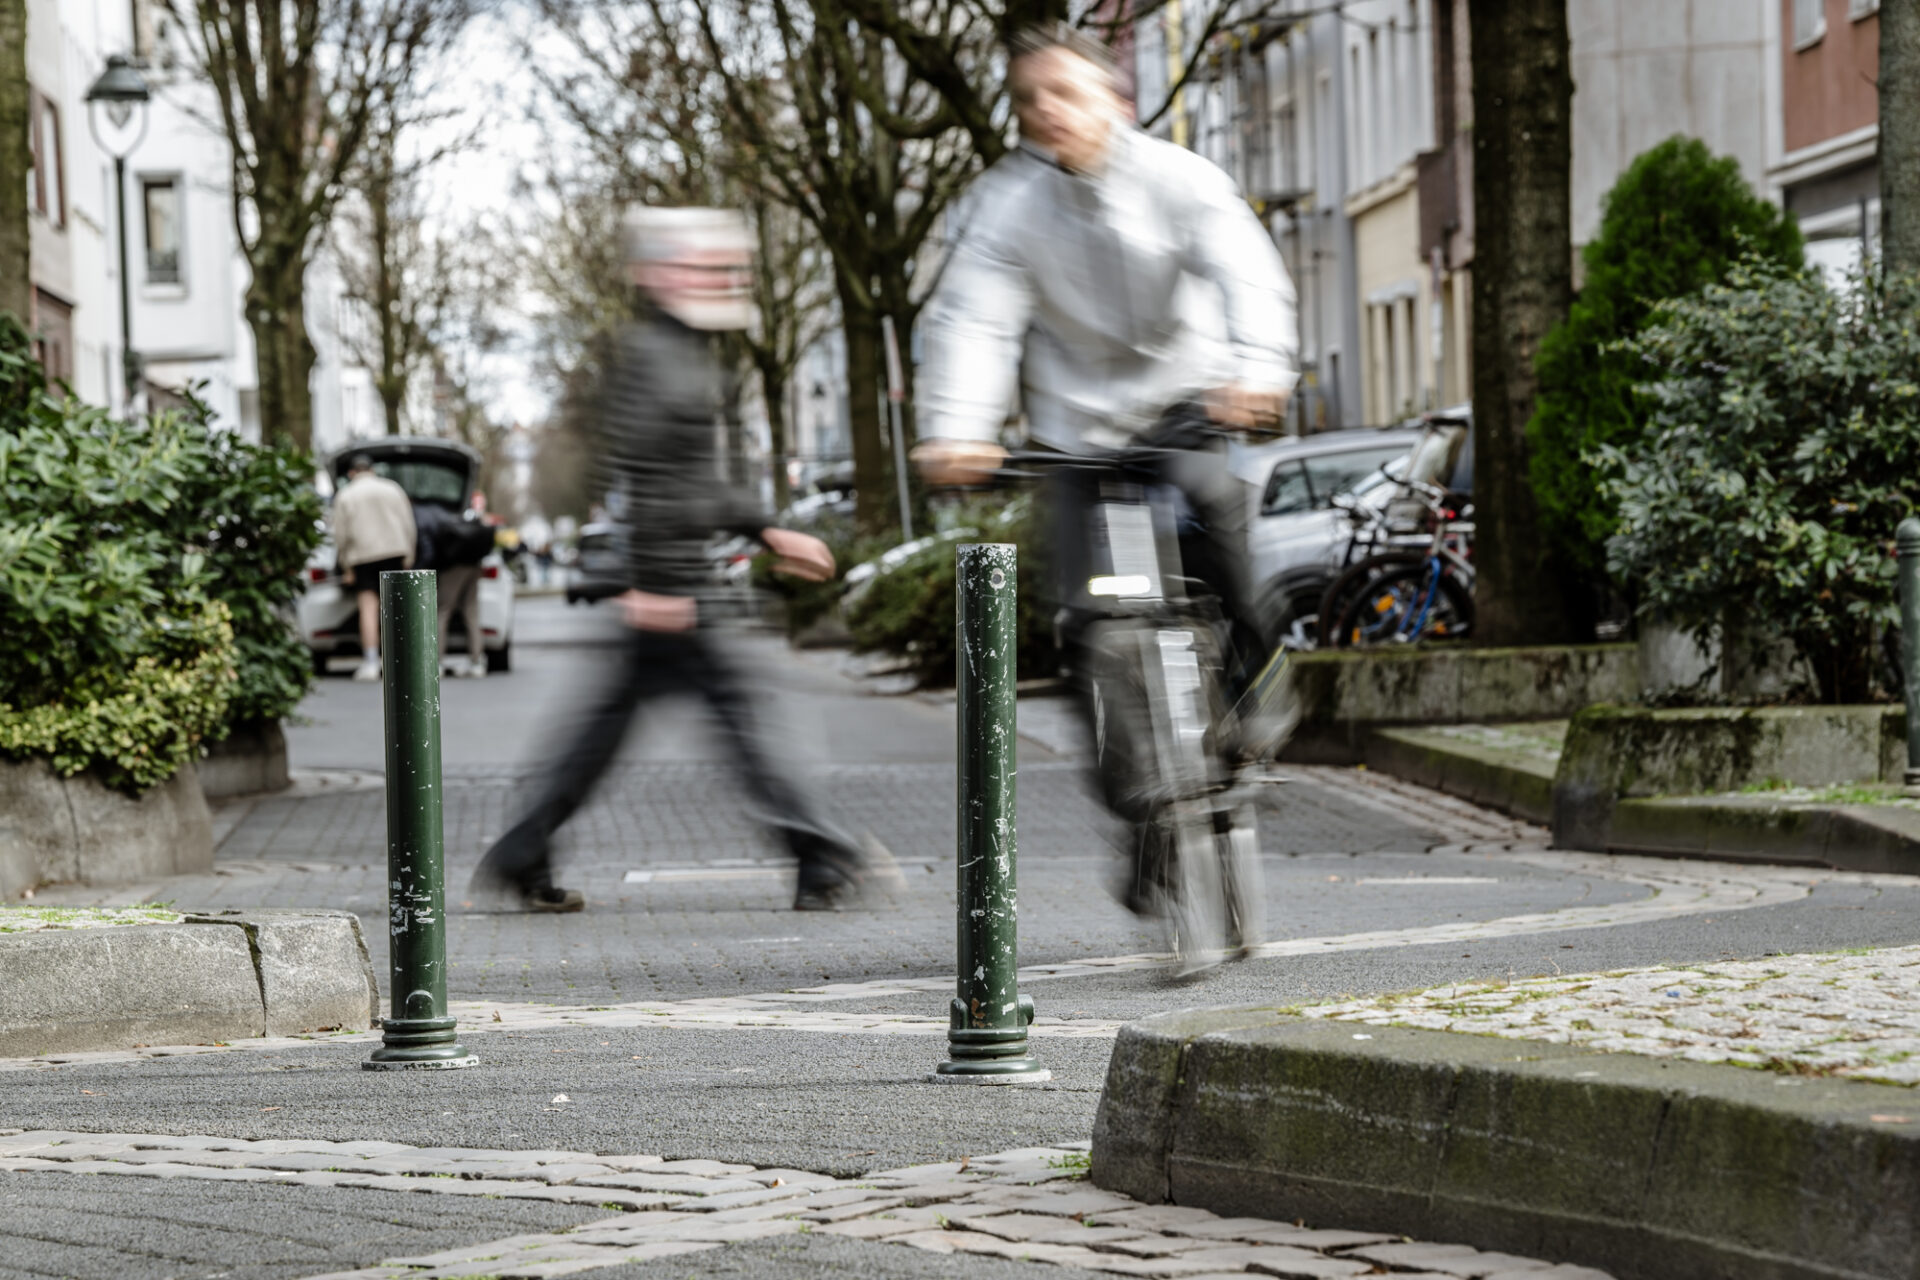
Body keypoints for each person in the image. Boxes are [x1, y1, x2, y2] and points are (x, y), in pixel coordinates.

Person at [469, 205, 896, 914]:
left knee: (616, 729)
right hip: (672, 585)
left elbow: (690, 471)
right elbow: (652, 471)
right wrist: (659, 580)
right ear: (658, 273)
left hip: (674, 580)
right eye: (703, 266)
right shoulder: (652, 354)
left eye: (727, 267)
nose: (723, 279)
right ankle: (818, 853)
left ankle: (525, 847)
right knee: (736, 714)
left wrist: (765, 531)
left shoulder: (682, 349)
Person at [913, 22, 1298, 684]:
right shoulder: (1008, 208)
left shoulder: (1178, 179)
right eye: (1030, 98)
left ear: (1113, 98)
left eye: (1064, 91)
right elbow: (974, 321)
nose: (1046, 110)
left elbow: (1246, 270)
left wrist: (1261, 371)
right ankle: (1119, 741)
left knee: (1219, 545)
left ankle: (1260, 684)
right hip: (1077, 430)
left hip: (1183, 401)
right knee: (1080, 605)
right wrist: (957, 431)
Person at [331, 454, 418, 682]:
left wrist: (345, 564)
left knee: (368, 609)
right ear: (373, 470)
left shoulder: (346, 494)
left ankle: (371, 661)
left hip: (363, 556)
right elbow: (409, 523)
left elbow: (340, 534)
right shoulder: (393, 489)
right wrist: (409, 554)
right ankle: (405, 660)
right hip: (395, 552)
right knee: (398, 609)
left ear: (352, 473)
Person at [414, 501, 493, 679]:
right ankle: (477, 661)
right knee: (471, 612)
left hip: (454, 569)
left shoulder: (424, 516)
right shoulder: (458, 518)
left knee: (442, 611)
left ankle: (437, 662)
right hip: (474, 566)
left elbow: (429, 551)